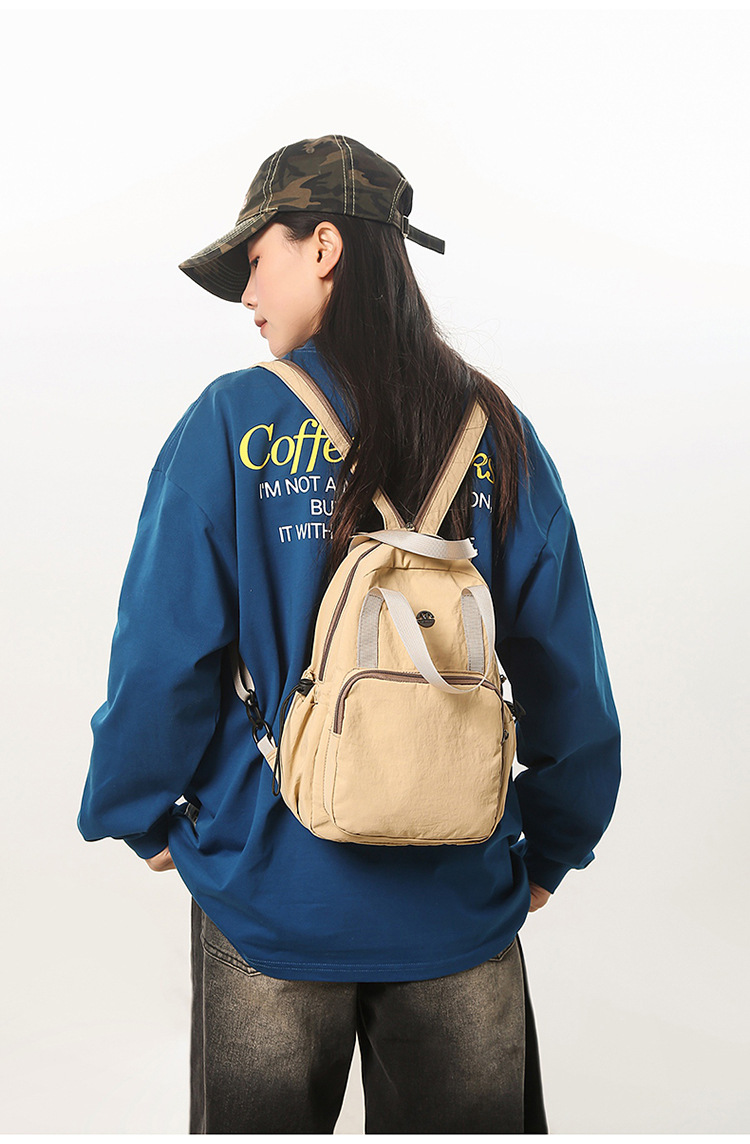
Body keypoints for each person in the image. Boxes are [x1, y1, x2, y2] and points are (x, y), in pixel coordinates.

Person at [77, 134, 621, 1134]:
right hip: (459, 903)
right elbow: (568, 670)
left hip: (269, 895)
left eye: (257, 260)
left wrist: (138, 810)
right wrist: (555, 845)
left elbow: (161, 656)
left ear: (323, 246)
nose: (248, 295)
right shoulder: (494, 430)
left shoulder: (230, 424)